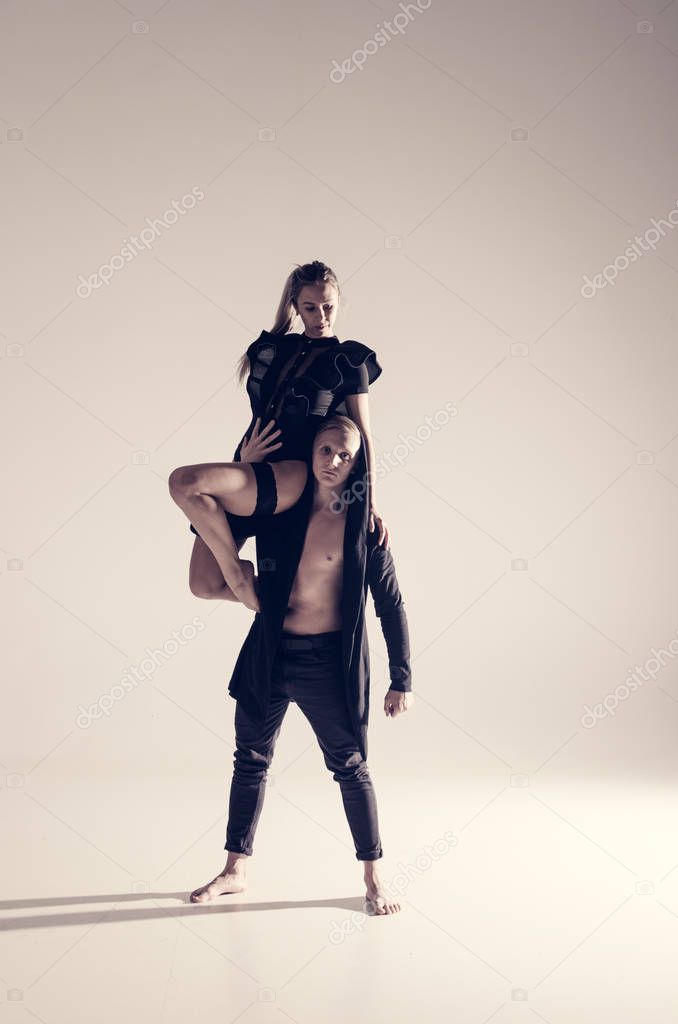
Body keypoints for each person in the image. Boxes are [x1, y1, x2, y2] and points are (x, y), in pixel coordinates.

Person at [189, 416, 414, 915]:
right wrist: (243, 466)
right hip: (269, 652)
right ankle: (234, 870)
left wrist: (403, 677)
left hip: (326, 663)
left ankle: (375, 877)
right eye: (327, 449)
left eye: (345, 455)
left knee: (350, 767)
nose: (334, 461)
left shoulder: (364, 527)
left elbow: (391, 605)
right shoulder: (279, 512)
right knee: (249, 761)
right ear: (310, 452)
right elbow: (212, 524)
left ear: (359, 464)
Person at [168, 260, 391, 614]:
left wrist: (370, 501)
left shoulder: (348, 361)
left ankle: (240, 578)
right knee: (203, 585)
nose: (321, 316)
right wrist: (244, 460)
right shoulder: (274, 349)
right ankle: (274, 603)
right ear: (295, 307)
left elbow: (363, 435)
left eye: (328, 306)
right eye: (310, 308)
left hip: (291, 474)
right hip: (250, 468)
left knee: (184, 482)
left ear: (338, 303)